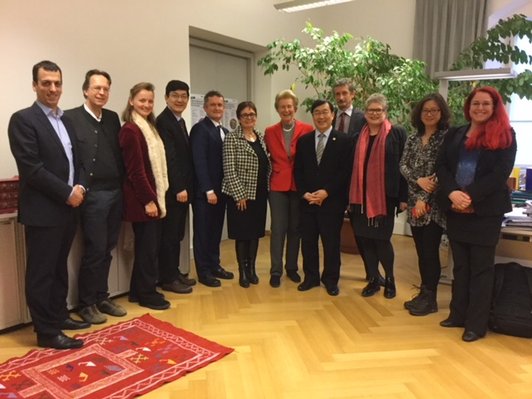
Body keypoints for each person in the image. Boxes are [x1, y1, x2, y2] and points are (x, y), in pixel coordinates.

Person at [8, 60, 88, 349]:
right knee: (42, 272)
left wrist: (78, 186)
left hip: (69, 208)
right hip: (43, 210)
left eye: (57, 83)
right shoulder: (23, 120)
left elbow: (76, 160)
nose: (53, 88)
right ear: (34, 85)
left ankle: (58, 315)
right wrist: (67, 192)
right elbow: (32, 168)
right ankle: (45, 331)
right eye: (46, 83)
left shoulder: (65, 120)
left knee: (59, 267)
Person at [436, 86, 516, 342]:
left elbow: (499, 174)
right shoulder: (456, 133)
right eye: (475, 104)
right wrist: (452, 194)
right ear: (468, 107)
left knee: (481, 269)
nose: (479, 108)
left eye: (485, 104)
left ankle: (475, 324)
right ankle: (457, 315)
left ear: (494, 108)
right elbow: (442, 167)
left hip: (484, 212)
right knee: (460, 266)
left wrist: (469, 196)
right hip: (456, 208)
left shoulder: (506, 135)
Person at [65, 69, 126, 325]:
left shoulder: (112, 118)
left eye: (106, 88)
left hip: (115, 191)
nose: (102, 93)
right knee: (95, 249)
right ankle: (86, 302)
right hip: (93, 195)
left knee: (108, 248)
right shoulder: (71, 118)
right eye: (97, 88)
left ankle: (102, 296)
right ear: (85, 90)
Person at [348, 93, 407, 299]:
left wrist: (403, 197)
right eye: (370, 110)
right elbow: (350, 168)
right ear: (365, 113)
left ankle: (389, 279)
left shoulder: (396, 134)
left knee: (381, 241)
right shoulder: (358, 136)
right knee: (365, 240)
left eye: (378, 110)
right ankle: (374, 279)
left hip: (384, 199)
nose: (374, 113)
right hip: (359, 201)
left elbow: (403, 166)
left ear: (385, 112)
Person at [120, 82, 170, 310]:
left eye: (150, 101)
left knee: (145, 248)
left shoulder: (149, 127)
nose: (147, 105)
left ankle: (136, 292)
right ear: (131, 101)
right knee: (148, 250)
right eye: (142, 100)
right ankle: (147, 295)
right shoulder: (131, 130)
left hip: (151, 198)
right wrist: (149, 200)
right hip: (144, 201)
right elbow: (135, 171)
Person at [294, 99, 351, 296]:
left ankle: (331, 280)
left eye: (325, 112)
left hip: (331, 202)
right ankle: (311, 277)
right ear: (313, 116)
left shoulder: (343, 140)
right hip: (308, 202)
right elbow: (298, 171)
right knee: (308, 242)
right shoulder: (304, 141)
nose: (321, 116)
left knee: (331, 243)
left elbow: (345, 172)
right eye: (317, 112)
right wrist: (305, 193)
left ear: (333, 115)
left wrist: (326, 192)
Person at [399, 93, 450, 316]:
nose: (429, 114)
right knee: (421, 252)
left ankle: (431, 299)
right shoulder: (412, 138)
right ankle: (424, 292)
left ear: (441, 113)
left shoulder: (446, 138)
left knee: (430, 252)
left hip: (433, 205)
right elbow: (403, 165)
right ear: (419, 114)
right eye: (425, 110)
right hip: (413, 202)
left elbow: (443, 171)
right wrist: (417, 182)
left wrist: (424, 198)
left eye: (434, 110)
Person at [264, 90, 313, 288]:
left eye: (289, 106)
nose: (286, 109)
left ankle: (291, 268)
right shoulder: (269, 131)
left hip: (299, 186)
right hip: (277, 186)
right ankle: (276, 270)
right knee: (278, 229)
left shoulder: (307, 129)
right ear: (277, 109)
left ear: (295, 108)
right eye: (282, 106)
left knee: (295, 229)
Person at [222, 101, 271, 288]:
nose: (249, 118)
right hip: (240, 196)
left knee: (255, 234)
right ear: (239, 118)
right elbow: (229, 169)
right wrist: (239, 194)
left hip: (259, 194)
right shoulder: (232, 139)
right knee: (242, 234)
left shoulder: (260, 137)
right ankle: (242, 272)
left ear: (256, 116)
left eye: (252, 114)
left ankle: (252, 269)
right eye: (245, 115)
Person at [190, 90, 234, 287]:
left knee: (216, 231)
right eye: (213, 105)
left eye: (220, 105)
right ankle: (204, 271)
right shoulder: (200, 129)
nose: (217, 108)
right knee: (203, 232)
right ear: (205, 108)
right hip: (206, 193)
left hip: (221, 192)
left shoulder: (224, 132)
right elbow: (199, 161)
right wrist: (208, 190)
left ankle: (215, 265)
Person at [156, 80, 195, 294]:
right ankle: (168, 278)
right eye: (175, 96)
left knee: (177, 235)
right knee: (170, 236)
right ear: (166, 98)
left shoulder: (178, 121)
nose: (180, 100)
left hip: (182, 191)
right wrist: (179, 187)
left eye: (184, 96)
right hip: (174, 192)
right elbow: (169, 158)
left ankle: (174, 271)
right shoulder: (164, 121)